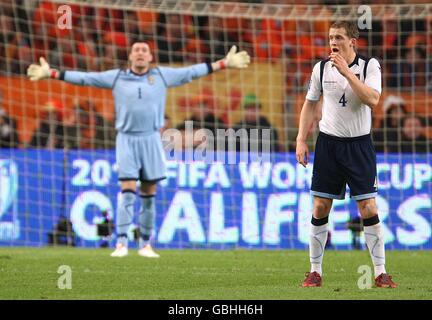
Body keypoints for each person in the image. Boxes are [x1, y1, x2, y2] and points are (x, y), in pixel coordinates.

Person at [27, 42, 250, 258]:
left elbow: (191, 72)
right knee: (127, 191)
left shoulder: (162, 76)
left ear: (151, 57)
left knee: (149, 196)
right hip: (127, 139)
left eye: (145, 50)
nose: (141, 53)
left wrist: (224, 63)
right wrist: (52, 73)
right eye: (136, 50)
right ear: (131, 57)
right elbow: (86, 78)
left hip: (152, 139)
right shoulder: (116, 77)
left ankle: (145, 244)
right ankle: (122, 242)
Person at [296, 21, 397, 288]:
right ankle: (315, 271)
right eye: (331, 37)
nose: (333, 42)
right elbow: (309, 105)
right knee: (320, 206)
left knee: (368, 208)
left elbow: (373, 100)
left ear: (353, 41)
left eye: (339, 37)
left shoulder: (369, 66)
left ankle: (379, 272)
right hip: (328, 145)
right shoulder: (320, 69)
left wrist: (347, 73)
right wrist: (300, 139)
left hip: (359, 146)